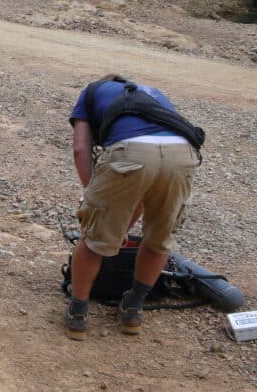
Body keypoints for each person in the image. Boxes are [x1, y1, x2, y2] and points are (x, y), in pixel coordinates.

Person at [65, 75, 202, 341]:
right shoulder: (153, 93)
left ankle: (78, 314)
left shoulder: (91, 93)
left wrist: (92, 195)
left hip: (130, 150)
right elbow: (143, 185)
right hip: (182, 154)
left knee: (95, 238)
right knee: (159, 239)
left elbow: (81, 150)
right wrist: (123, 221)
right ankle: (133, 309)